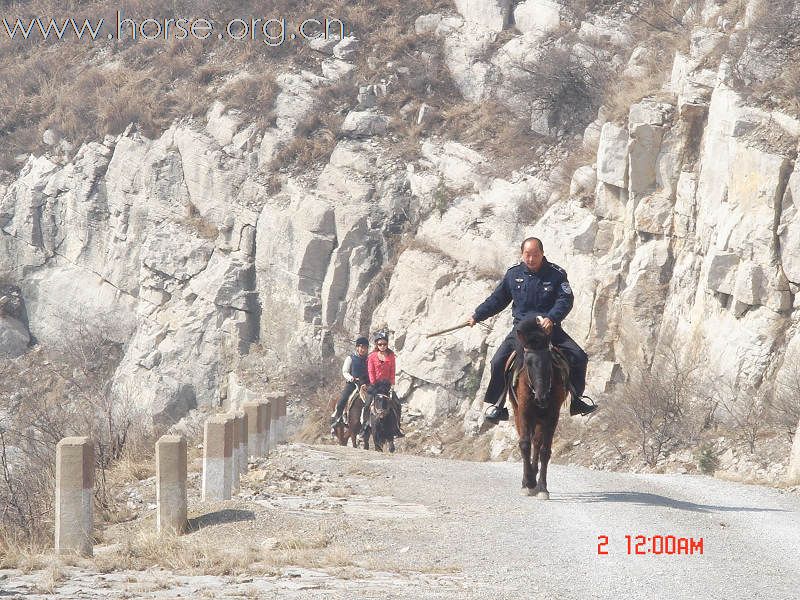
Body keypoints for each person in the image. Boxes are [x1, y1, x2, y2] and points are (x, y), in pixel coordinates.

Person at [467, 237, 598, 422]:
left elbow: (565, 300)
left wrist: (551, 318)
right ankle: (498, 405)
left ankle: (577, 399)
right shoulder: (513, 274)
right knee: (497, 362)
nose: (531, 259)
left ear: (542, 253)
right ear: (522, 254)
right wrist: (477, 315)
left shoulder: (557, 274)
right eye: (527, 255)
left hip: (548, 329)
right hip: (521, 331)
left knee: (579, 356)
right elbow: (497, 299)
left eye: (535, 254)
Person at [360, 331, 404, 438]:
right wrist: (374, 383)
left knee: (397, 404)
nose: (382, 346)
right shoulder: (372, 356)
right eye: (380, 344)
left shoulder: (391, 355)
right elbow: (371, 371)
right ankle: (365, 427)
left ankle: (397, 427)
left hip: (386, 386)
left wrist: (392, 383)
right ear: (376, 345)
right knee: (367, 405)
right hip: (375, 385)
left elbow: (393, 370)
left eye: (385, 344)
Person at [331, 336, 369, 427]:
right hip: (353, 384)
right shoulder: (351, 358)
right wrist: (351, 378)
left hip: (366, 384)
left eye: (365, 347)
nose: (362, 349)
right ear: (357, 347)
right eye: (360, 347)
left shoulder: (369, 359)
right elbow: (345, 371)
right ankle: (337, 417)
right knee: (343, 399)